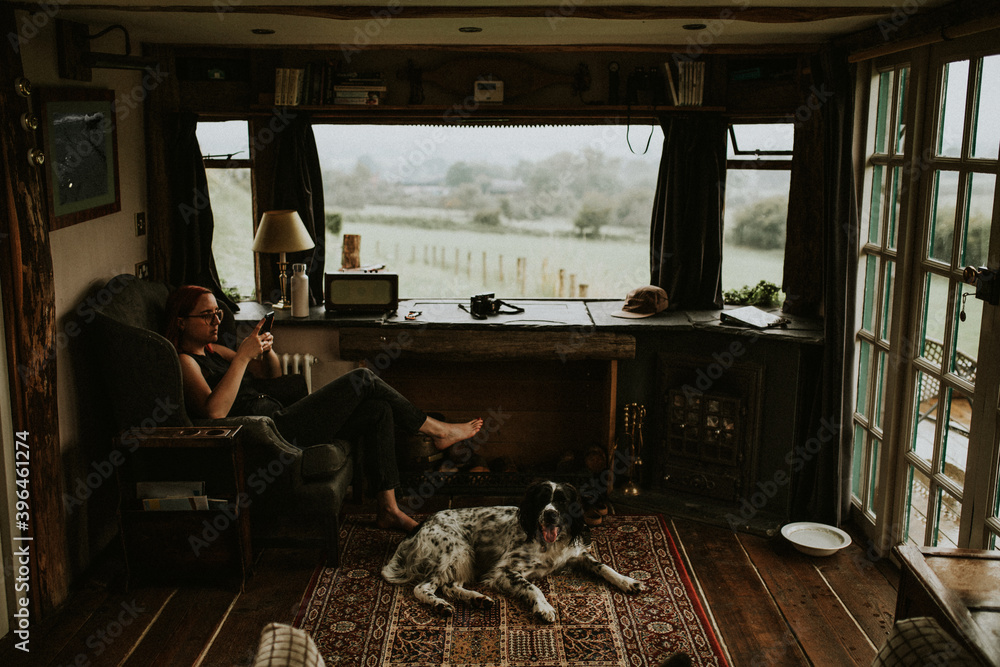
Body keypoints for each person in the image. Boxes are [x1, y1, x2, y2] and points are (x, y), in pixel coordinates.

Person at [165, 285, 483, 532]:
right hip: (271, 433)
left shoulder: (214, 351)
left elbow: (271, 377)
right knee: (362, 378)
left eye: (218, 313)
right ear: (181, 322)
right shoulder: (184, 361)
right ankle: (436, 429)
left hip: (282, 415)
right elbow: (215, 412)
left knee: (377, 410)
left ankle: (388, 509)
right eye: (207, 315)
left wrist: (264, 349)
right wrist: (244, 356)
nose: (216, 319)